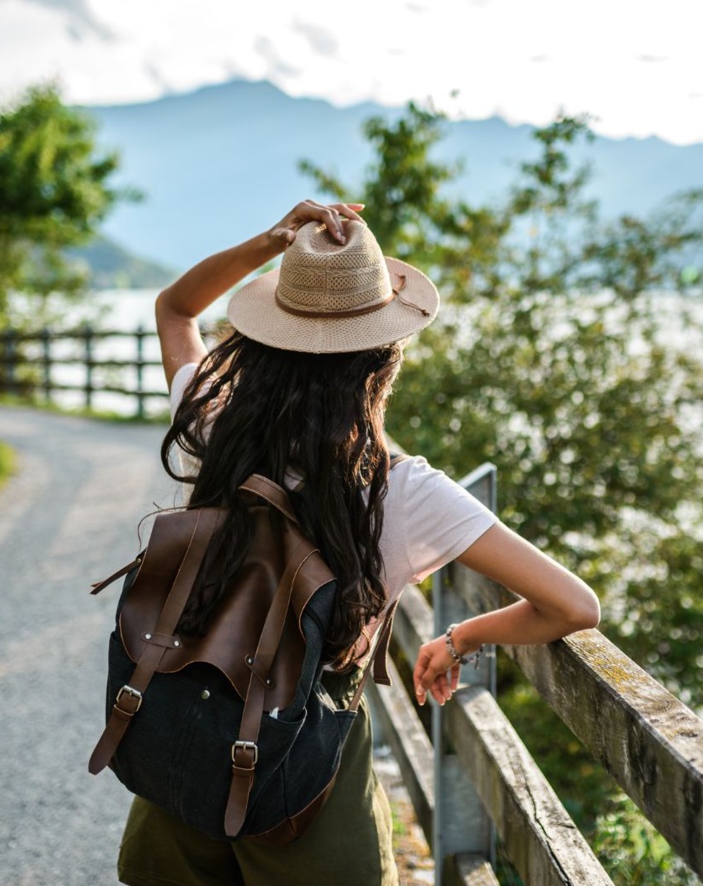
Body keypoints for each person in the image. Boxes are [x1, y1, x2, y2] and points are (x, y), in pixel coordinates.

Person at [117, 199, 600, 886]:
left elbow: (174, 308)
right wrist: (458, 638)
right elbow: (572, 605)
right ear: (384, 358)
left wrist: (273, 240)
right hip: (306, 771)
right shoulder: (406, 492)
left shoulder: (215, 425)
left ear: (262, 340)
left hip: (186, 739)